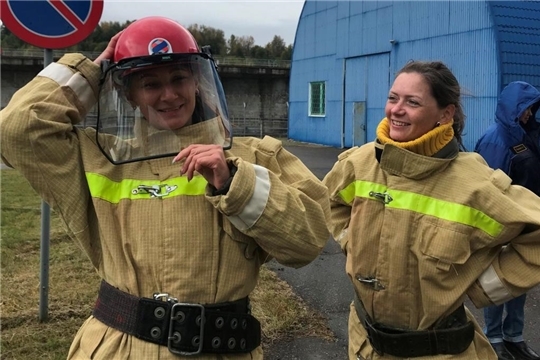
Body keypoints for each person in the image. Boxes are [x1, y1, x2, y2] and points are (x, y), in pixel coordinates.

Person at [0, 16, 331, 359]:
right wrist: (91, 70)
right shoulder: (96, 159)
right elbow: (17, 129)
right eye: (150, 83)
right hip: (120, 349)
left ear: (198, 83)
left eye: (179, 78)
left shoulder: (255, 155)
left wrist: (234, 182)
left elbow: (307, 242)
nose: (169, 94)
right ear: (129, 94)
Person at [322, 60, 540, 359]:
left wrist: (482, 287)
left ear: (445, 114)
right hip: (364, 345)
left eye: (412, 102)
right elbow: (330, 201)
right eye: (392, 98)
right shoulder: (359, 164)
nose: (396, 109)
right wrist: (353, 242)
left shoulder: (474, 184)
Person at [475, 81, 540, 360]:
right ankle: (494, 337)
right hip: (503, 222)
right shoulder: (495, 139)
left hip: (528, 221)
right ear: (513, 109)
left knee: (520, 279)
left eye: (531, 109)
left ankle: (514, 337)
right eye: (524, 109)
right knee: (498, 282)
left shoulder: (529, 135)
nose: (528, 114)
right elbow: (487, 188)